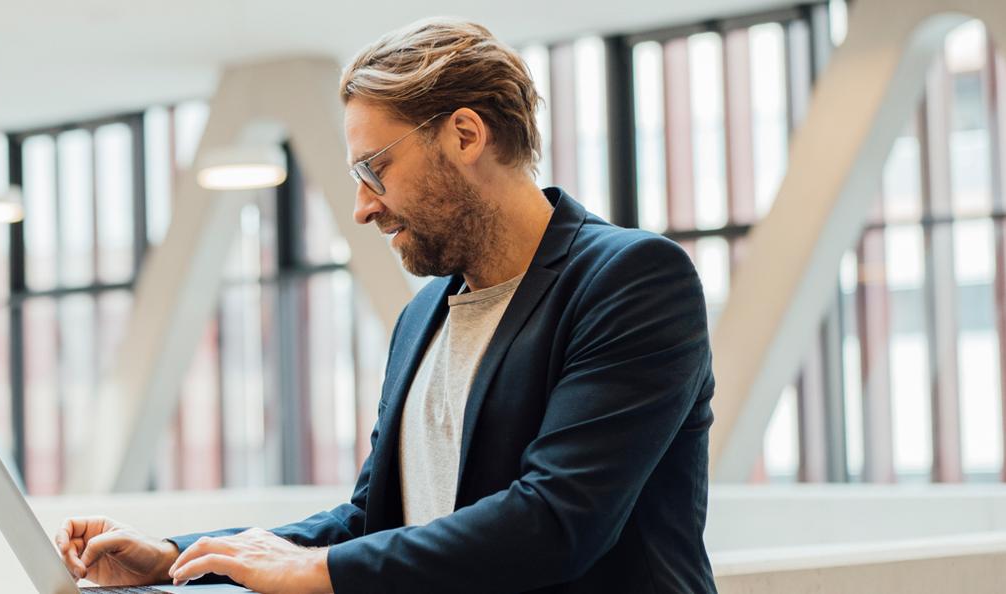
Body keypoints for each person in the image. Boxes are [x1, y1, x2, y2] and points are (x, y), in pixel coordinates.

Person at [55, 17, 716, 593]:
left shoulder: (631, 280)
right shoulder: (422, 316)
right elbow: (371, 520)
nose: (363, 206)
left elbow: (556, 520)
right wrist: (178, 558)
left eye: (375, 169)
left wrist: (315, 575)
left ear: (464, 135)